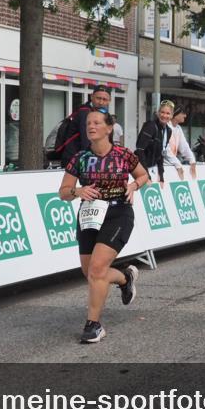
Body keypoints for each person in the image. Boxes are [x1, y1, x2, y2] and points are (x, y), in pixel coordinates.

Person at [59, 110, 149, 343]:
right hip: (89, 214)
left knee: (97, 270)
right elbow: (63, 192)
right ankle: (125, 278)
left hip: (118, 213)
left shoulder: (123, 154)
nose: (91, 126)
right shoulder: (79, 158)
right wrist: (77, 191)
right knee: (89, 272)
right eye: (88, 123)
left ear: (109, 129)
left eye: (97, 122)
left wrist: (134, 186)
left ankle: (93, 325)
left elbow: (143, 175)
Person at [62, 86, 112, 166]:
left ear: (109, 101)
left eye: (104, 99)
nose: (101, 102)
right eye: (98, 98)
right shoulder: (85, 112)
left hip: (84, 158)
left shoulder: (102, 114)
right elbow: (86, 140)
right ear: (91, 97)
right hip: (74, 160)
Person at [134, 99, 173, 183]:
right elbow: (140, 151)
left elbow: (161, 153)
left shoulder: (168, 131)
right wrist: (146, 175)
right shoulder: (150, 126)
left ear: (171, 116)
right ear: (158, 113)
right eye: (162, 112)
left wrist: (161, 175)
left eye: (167, 113)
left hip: (151, 168)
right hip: (138, 169)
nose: (164, 115)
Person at [164, 106, 198, 179]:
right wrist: (178, 165)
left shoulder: (178, 128)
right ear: (175, 114)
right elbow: (165, 149)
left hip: (171, 166)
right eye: (183, 113)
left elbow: (184, 147)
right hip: (161, 167)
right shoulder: (165, 127)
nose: (185, 116)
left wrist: (192, 161)